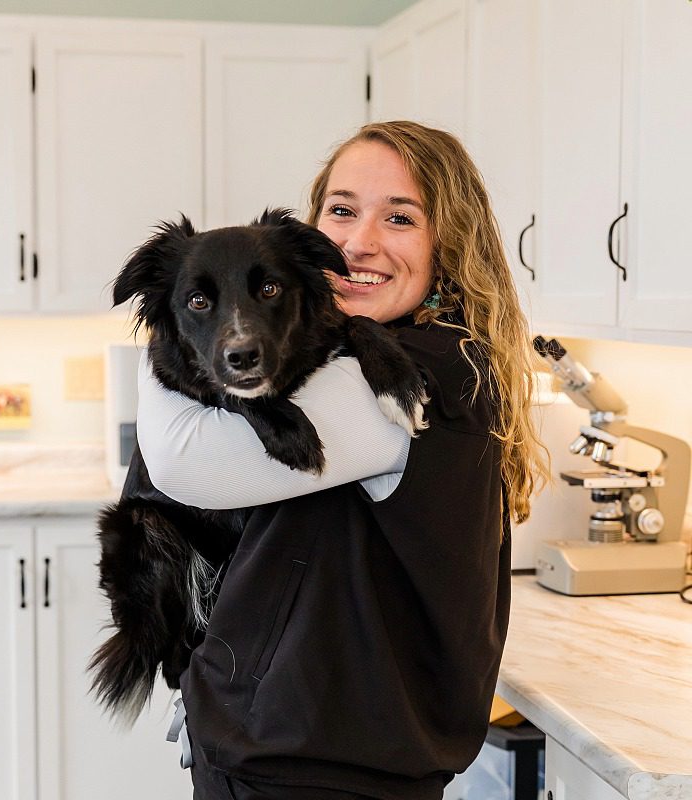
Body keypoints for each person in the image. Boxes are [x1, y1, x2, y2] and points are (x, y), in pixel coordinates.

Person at [137, 121, 548, 800]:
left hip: (320, 770)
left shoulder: (419, 369)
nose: (360, 243)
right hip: (290, 748)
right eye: (342, 210)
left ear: (450, 244)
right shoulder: (349, 352)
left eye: (401, 217)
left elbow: (183, 460)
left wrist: (174, 315)